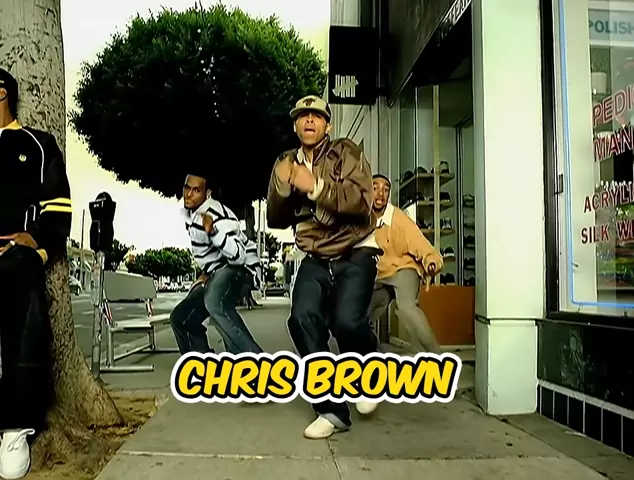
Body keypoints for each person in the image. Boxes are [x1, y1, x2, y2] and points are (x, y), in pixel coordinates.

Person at [267, 95, 381, 439]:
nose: (309, 120)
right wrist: (283, 188)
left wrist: (315, 187)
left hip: (355, 250)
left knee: (347, 322)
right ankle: (331, 410)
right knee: (301, 319)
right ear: (295, 125)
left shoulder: (346, 152)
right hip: (315, 256)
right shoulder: (286, 161)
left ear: (327, 125)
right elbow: (275, 219)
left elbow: (362, 201)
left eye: (316, 116)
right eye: (303, 116)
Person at [0, 67, 72, 479]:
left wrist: (39, 244)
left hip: (15, 253)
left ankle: (14, 428)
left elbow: (58, 205)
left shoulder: (38, 144)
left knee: (24, 313)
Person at [170, 173, 264, 355]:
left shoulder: (215, 215)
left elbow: (239, 256)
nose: (189, 194)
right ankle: (202, 365)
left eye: (196, 190)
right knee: (181, 318)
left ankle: (254, 359)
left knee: (215, 302)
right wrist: (205, 273)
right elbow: (211, 256)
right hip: (218, 271)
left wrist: (213, 231)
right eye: (187, 188)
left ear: (208, 193)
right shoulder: (194, 214)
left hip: (242, 269)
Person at [369, 174, 443, 355]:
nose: (380, 194)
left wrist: (431, 260)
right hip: (377, 274)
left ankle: (436, 357)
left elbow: (419, 241)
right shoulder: (361, 216)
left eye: (386, 189)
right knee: (357, 315)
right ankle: (371, 352)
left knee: (407, 308)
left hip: (403, 267)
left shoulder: (398, 218)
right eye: (375, 188)